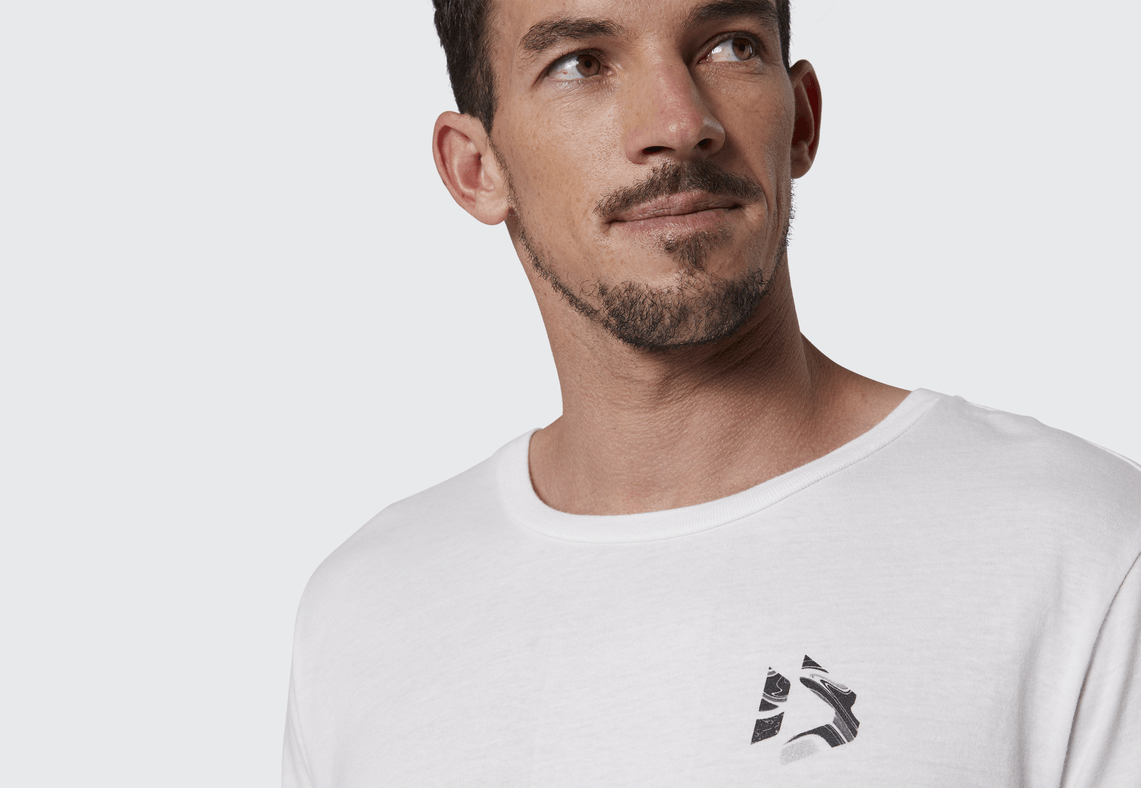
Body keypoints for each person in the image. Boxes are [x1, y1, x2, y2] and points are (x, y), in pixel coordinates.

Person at [283, 0, 1141, 784]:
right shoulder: (366, 613)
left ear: (801, 119)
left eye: (728, 47)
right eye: (581, 63)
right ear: (476, 169)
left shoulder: (1081, 552)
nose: (679, 124)